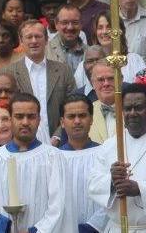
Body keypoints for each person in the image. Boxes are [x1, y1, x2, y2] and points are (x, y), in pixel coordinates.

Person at [87, 83, 146, 232]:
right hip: (117, 228)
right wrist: (111, 181)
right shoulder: (110, 145)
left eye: (138, 107)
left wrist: (140, 189)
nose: (132, 113)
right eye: (127, 108)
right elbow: (92, 184)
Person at [0, 93, 71, 232]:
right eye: (19, 116)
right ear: (10, 119)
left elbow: (59, 207)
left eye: (31, 116)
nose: (25, 122)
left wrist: (34, 231)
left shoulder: (53, 157)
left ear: (39, 120)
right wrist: (6, 227)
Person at [0, 20, 77, 144]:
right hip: (22, 144)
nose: (34, 41)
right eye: (29, 37)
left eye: (38, 36)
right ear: (21, 41)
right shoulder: (9, 73)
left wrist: (58, 136)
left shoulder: (63, 70)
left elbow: (72, 106)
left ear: (46, 40)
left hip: (61, 144)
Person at [57, 94, 108, 231]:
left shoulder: (105, 154)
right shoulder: (53, 159)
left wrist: (92, 227)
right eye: (71, 116)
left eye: (82, 115)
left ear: (91, 119)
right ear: (62, 122)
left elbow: (111, 197)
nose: (77, 121)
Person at [88, 13, 146, 83]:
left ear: (120, 31)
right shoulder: (87, 63)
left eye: (109, 27)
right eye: (100, 28)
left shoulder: (134, 60)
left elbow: (144, 87)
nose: (104, 32)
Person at [47, 4, 88, 73]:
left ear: (81, 24)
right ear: (56, 24)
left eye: (75, 22)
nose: (70, 27)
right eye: (65, 23)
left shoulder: (90, 53)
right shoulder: (45, 52)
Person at [86, 62, 119, 142]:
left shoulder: (134, 110)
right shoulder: (85, 113)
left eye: (111, 78)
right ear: (92, 83)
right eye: (100, 79)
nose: (106, 83)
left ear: (120, 80)